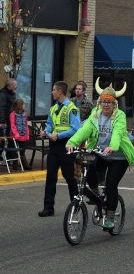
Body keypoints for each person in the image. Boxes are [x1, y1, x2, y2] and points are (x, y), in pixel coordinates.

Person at [66, 78, 134, 229]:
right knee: (89, 166)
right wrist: (72, 142)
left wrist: (112, 146)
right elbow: (84, 130)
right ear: (99, 102)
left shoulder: (120, 116)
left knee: (111, 185)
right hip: (100, 153)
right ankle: (96, 194)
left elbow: (118, 132)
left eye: (109, 102)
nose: (105, 105)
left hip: (118, 156)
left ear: (114, 103)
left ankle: (110, 216)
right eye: (103, 102)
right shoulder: (95, 114)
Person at [38, 81, 80, 217]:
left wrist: (59, 135)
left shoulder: (72, 108)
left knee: (69, 177)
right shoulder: (53, 108)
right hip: (54, 146)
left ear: (60, 92)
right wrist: (46, 131)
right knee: (50, 177)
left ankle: (76, 206)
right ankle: (48, 208)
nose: (52, 92)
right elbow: (50, 124)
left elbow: (76, 129)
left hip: (66, 146)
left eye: (54, 90)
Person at [9, 99, 32, 170]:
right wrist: (16, 134)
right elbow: (13, 125)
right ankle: (15, 165)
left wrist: (27, 134)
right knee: (15, 150)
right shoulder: (12, 114)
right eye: (23, 104)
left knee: (22, 151)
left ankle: (25, 165)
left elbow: (26, 125)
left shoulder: (25, 113)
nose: (24, 105)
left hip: (24, 135)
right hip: (15, 136)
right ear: (19, 105)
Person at [0, 78, 17, 168]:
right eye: (14, 85)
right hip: (4, 121)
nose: (16, 86)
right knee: (2, 140)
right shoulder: (3, 94)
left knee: (10, 139)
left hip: (11, 120)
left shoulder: (12, 93)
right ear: (9, 85)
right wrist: (2, 121)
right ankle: (2, 158)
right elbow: (1, 108)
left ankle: (9, 157)